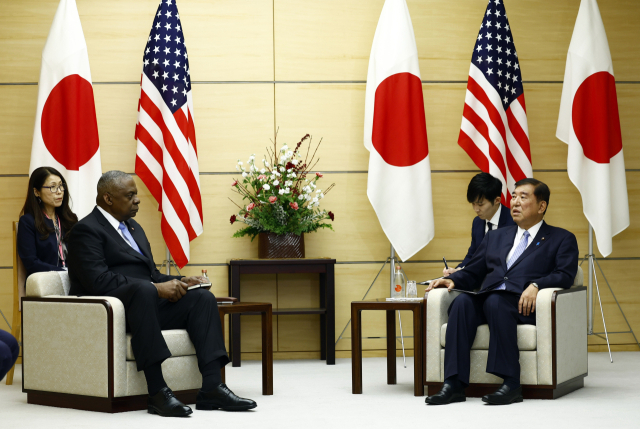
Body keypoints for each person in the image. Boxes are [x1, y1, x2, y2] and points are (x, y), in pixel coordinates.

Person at [67, 171, 256, 417]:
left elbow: (152, 274)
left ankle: (212, 387)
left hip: (145, 304)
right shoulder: (86, 230)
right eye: (130, 195)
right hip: (113, 313)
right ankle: (157, 392)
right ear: (108, 198)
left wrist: (180, 281)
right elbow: (98, 281)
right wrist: (155, 288)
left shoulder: (133, 227)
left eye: (136, 195)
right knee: (144, 290)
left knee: (201, 298)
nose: (137, 200)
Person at [425, 178, 578, 406]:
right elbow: (473, 271)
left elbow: (565, 274)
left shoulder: (561, 238)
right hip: (490, 299)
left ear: (541, 206)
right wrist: (451, 280)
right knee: (462, 303)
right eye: (513, 196)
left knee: (495, 301)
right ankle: (454, 384)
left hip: (523, 304)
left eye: (523, 197)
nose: (515, 202)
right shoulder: (496, 236)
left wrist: (536, 285)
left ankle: (511, 383)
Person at [444, 172, 515, 276]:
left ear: (497, 200)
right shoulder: (477, 222)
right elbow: (472, 256)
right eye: (473, 204)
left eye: (480, 204)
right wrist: (458, 270)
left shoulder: (514, 222)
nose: (476, 209)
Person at [17, 166, 78, 276]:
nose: (59, 192)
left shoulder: (70, 220)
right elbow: (31, 263)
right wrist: (64, 272)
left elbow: (81, 254)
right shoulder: (28, 222)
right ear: (36, 192)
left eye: (61, 186)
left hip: (73, 281)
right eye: (53, 187)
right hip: (45, 282)